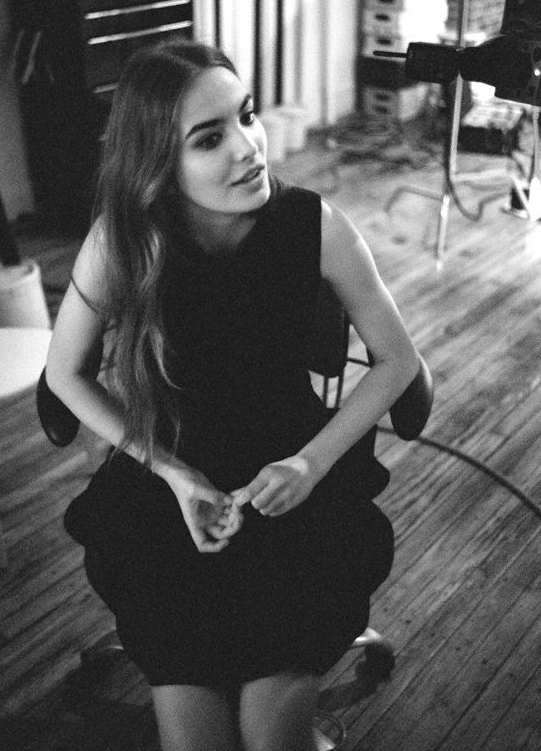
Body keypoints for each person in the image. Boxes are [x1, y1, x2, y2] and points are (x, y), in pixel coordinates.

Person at [46, 39, 420, 751]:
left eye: (246, 116)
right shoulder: (122, 241)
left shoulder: (315, 224)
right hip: (169, 494)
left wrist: (311, 463)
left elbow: (398, 360)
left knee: (269, 739)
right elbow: (65, 374)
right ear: (159, 163)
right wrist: (173, 472)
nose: (250, 147)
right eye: (209, 137)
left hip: (296, 483)